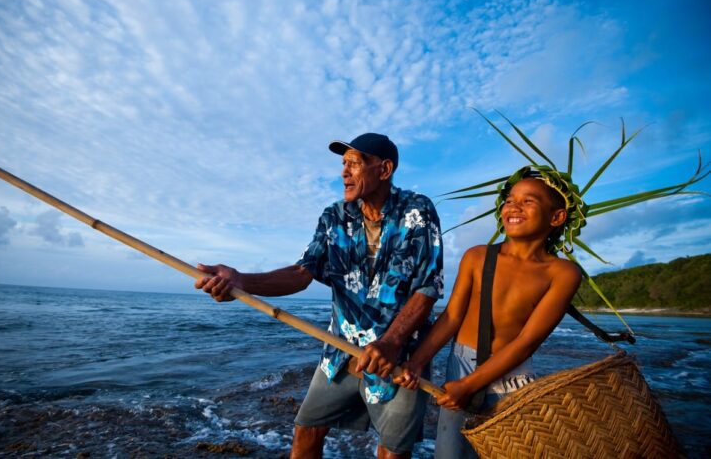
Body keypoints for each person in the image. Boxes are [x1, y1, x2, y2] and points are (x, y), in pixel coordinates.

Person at [195, 133, 444, 459]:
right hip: (340, 350)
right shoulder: (334, 217)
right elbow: (302, 273)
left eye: (355, 163)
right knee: (307, 429)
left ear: (384, 170)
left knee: (393, 450)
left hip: (399, 356)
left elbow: (428, 287)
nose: (344, 172)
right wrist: (242, 281)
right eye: (343, 164)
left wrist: (392, 341)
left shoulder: (418, 210)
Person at [393, 170, 582, 458]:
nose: (514, 207)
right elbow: (452, 317)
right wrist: (417, 362)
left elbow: (527, 342)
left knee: (505, 451)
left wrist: (469, 386)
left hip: (513, 375)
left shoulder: (562, 273)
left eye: (528, 201)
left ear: (556, 218)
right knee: (450, 453)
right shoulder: (477, 256)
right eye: (509, 200)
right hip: (463, 364)